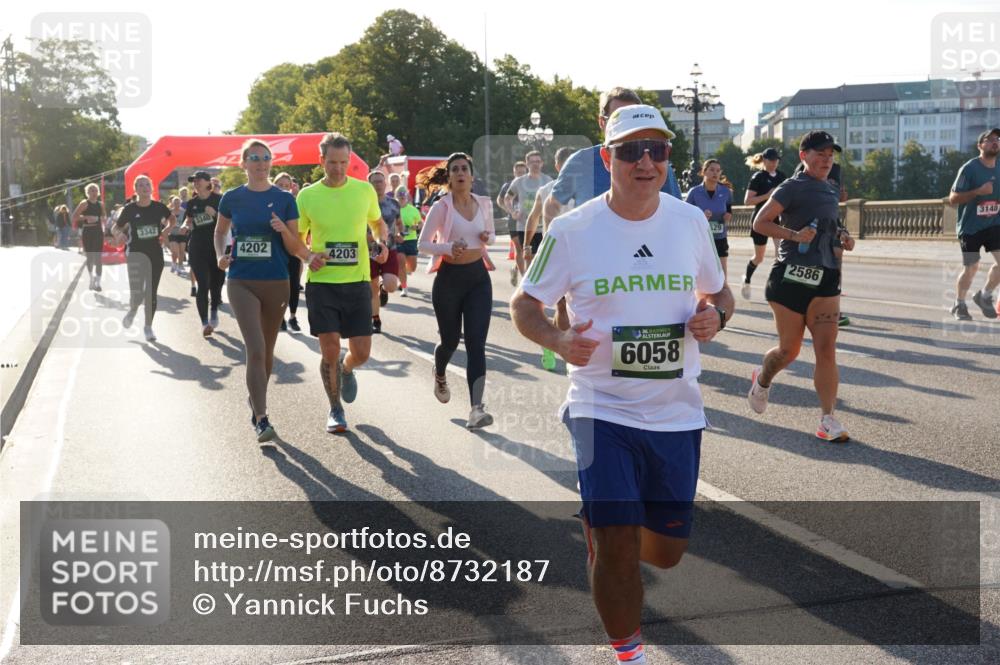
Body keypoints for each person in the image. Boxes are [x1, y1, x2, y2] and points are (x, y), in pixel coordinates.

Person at [511, 104, 732, 665]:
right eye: (631, 150)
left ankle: (614, 531)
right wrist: (557, 342)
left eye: (657, 150)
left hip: (676, 412)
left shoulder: (689, 223)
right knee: (616, 544)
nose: (645, 162)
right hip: (599, 406)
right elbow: (525, 302)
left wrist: (716, 317)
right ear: (607, 158)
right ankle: (628, 653)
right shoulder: (573, 229)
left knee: (665, 552)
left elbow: (720, 294)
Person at [748, 130, 856, 443]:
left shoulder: (832, 189)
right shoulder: (791, 186)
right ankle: (763, 379)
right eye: (819, 154)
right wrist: (794, 236)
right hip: (790, 277)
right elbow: (760, 223)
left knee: (826, 349)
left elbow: (828, 230)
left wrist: (843, 240)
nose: (826, 160)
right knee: (789, 351)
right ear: (803, 156)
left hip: (825, 278)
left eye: (830, 155)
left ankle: (827, 419)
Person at [215, 139, 306, 442]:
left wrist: (283, 230)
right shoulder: (232, 197)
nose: (260, 162)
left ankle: (256, 402)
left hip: (276, 281)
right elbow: (219, 231)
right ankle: (263, 419)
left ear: (271, 163)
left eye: (265, 158)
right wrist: (220, 254)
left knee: (267, 352)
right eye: (253, 158)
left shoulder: (284, 199)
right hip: (241, 280)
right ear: (243, 164)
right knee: (254, 349)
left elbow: (295, 248)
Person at [296, 132, 386, 434]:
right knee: (330, 349)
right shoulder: (307, 196)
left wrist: (380, 241)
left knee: (361, 353)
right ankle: (335, 409)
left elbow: (376, 222)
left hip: (357, 281)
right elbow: (296, 239)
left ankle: (348, 370)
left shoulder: (363, 191)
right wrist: (309, 256)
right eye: (332, 162)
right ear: (321, 161)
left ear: (350, 161)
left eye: (343, 162)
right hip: (322, 283)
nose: (337, 168)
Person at [418, 153, 497, 429]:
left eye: (465, 169)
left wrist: (487, 237)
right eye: (455, 170)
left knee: (476, 344)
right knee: (450, 341)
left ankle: (476, 409)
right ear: (449, 177)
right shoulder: (442, 206)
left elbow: (492, 235)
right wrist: (447, 248)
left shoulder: (484, 203)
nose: (461, 173)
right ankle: (439, 371)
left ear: (472, 176)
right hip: (449, 279)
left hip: (478, 279)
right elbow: (423, 244)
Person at [544, 87, 683, 232]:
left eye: (635, 118)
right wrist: (550, 241)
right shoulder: (579, 162)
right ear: (602, 122)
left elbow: (676, 212)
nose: (645, 164)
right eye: (618, 117)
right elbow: (551, 205)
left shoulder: (656, 165)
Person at [523, 145, 575, 371]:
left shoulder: (586, 189)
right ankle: (562, 350)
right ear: (557, 166)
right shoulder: (546, 190)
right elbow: (533, 218)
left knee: (578, 307)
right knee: (562, 306)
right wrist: (526, 244)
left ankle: (557, 342)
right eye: (566, 165)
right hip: (555, 254)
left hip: (581, 252)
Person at [113, 175, 175, 342]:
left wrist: (166, 232)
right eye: (140, 185)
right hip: (135, 254)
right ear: (136, 190)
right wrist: (119, 235)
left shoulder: (159, 207)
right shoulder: (130, 209)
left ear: (151, 188)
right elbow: (115, 227)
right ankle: (133, 310)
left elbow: (172, 219)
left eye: (147, 184)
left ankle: (148, 327)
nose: (145, 187)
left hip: (155, 254)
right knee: (137, 293)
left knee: (151, 293)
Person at [948, 127, 1000, 321]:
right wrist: (978, 191)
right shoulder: (969, 168)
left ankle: (984, 296)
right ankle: (959, 304)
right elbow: (953, 199)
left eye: (998, 139)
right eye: (989, 139)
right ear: (980, 146)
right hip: (970, 228)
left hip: (994, 224)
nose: (995, 141)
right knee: (972, 266)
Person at [183, 171, 226, 337]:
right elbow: (189, 220)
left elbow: (229, 222)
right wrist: (186, 226)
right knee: (203, 284)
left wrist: (214, 214)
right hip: (197, 247)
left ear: (208, 182)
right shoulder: (191, 203)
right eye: (194, 181)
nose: (195, 183)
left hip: (216, 248)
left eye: (198, 180)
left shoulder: (218, 200)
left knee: (216, 283)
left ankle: (214, 309)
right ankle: (204, 323)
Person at [741, 147, 787, 300]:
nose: (774, 163)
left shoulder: (782, 176)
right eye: (771, 160)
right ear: (764, 160)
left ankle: (775, 287)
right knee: (759, 258)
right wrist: (768, 195)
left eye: (776, 160)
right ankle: (746, 280)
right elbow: (748, 201)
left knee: (780, 253)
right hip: (760, 220)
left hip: (777, 220)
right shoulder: (758, 177)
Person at [503, 151, 553, 286]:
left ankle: (540, 284)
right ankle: (528, 286)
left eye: (538, 161)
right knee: (528, 256)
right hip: (524, 226)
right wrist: (513, 212)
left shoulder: (548, 181)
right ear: (527, 164)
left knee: (543, 258)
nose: (535, 164)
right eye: (532, 162)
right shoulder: (519, 182)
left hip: (544, 227)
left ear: (542, 164)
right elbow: (507, 198)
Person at [684, 158, 733, 279]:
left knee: (721, 272)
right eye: (712, 170)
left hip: (719, 236)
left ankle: (722, 293)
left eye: (718, 170)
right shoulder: (694, 192)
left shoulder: (726, 192)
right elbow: (685, 215)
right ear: (704, 172)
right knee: (701, 272)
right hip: (700, 237)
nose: (715, 173)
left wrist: (728, 216)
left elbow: (728, 210)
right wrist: (700, 215)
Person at [367, 170, 401, 333]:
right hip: (370, 250)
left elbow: (399, 223)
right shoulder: (364, 204)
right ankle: (376, 319)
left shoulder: (394, 203)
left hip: (390, 248)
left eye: (381, 181)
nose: (378, 184)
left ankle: (384, 288)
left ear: (385, 183)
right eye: (375, 182)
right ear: (369, 185)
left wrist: (401, 233)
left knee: (391, 285)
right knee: (371, 287)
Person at [273, 172, 303, 332]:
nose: (284, 188)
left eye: (287, 185)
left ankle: (293, 316)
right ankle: (281, 317)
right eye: (280, 185)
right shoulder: (269, 202)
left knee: (294, 284)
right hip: (276, 249)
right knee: (280, 285)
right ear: (274, 185)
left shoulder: (295, 202)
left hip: (293, 248)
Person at [72, 183, 107, 291]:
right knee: (90, 257)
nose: (94, 192)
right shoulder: (84, 203)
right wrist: (87, 217)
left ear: (98, 192)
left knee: (98, 258)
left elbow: (104, 216)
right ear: (87, 193)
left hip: (98, 231)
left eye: (95, 190)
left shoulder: (100, 204)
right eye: (91, 190)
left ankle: (98, 283)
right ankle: (91, 279)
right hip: (87, 231)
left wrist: (103, 219)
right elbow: (74, 216)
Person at [396, 186, 422, 294]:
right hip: (398, 240)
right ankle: (404, 287)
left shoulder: (413, 210)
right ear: (396, 196)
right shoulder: (394, 209)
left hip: (411, 240)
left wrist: (415, 227)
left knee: (412, 267)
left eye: (403, 194)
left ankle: (404, 273)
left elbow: (420, 223)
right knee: (401, 263)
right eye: (399, 195)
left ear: (407, 196)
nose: (402, 197)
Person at [167, 196, 189, 275]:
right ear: (172, 203)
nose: (177, 204)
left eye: (178, 202)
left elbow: (187, 221)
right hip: (172, 234)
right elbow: (164, 222)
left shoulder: (184, 212)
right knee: (175, 252)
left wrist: (185, 228)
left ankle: (180, 266)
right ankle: (174, 263)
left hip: (182, 234)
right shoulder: (169, 212)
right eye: (175, 203)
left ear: (180, 203)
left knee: (182, 251)